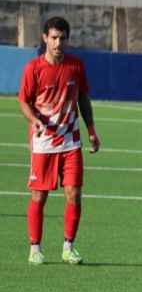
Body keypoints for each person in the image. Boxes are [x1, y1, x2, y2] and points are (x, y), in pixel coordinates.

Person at [18, 16, 101, 265]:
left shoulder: (76, 66)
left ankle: (68, 247)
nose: (57, 43)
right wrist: (34, 120)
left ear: (67, 40)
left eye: (62, 38)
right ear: (45, 38)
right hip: (43, 142)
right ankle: (35, 248)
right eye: (53, 38)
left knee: (74, 193)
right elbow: (24, 102)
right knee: (39, 197)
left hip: (70, 142)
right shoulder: (33, 68)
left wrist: (91, 130)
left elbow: (83, 99)